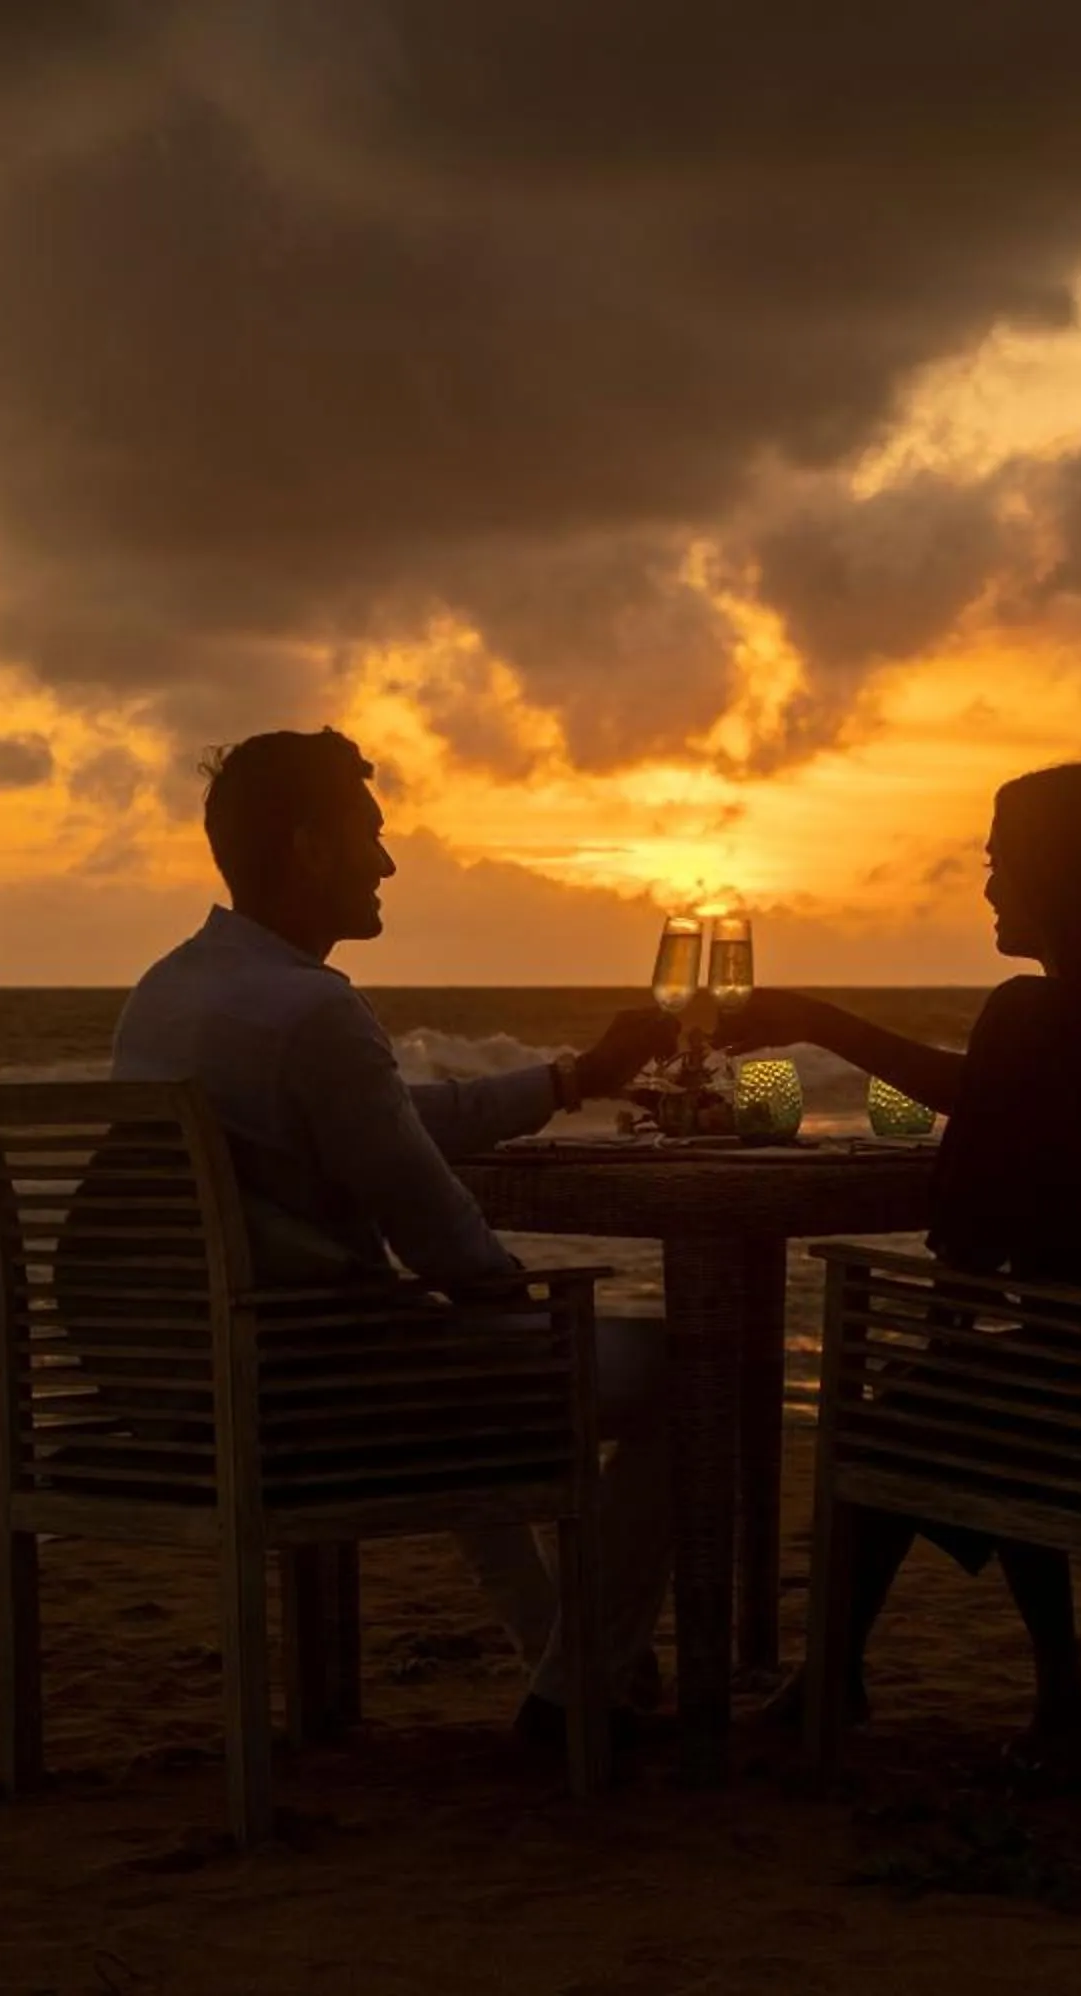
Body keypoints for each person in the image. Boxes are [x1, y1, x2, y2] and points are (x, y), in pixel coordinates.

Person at [111, 727, 679, 1745]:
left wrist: (569, 1082)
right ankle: (578, 1685)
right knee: (684, 1372)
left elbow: (391, 1126)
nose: (387, 863)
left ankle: (568, 1659)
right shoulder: (312, 1009)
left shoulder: (167, 992)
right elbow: (442, 1236)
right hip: (318, 1406)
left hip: (192, 1388)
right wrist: (528, 1313)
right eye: (369, 837)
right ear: (310, 849)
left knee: (454, 1349)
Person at [717, 761, 1081, 1779]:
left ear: (1061, 876)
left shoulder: (1034, 1015)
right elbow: (994, 1093)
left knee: (922, 1407)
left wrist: (948, 1319)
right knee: (984, 1384)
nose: (990, 886)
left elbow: (965, 1231)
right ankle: (1053, 1697)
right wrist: (824, 1021)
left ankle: (840, 1674)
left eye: (1002, 862)